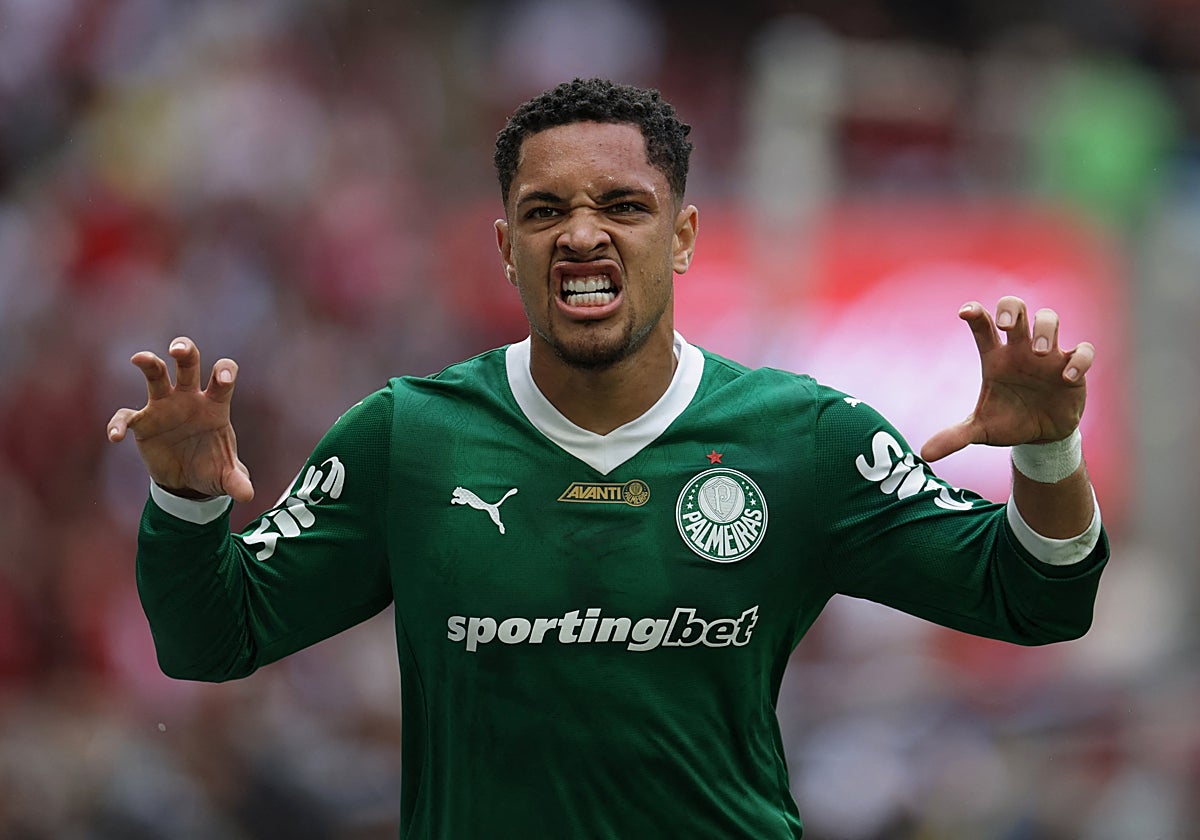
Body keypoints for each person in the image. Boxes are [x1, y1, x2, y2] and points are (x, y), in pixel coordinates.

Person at [106, 78, 1107, 839]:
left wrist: (1050, 454)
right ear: (506, 247)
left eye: (622, 206)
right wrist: (188, 500)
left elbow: (1038, 599)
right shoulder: (406, 438)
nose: (582, 235)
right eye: (545, 213)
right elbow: (211, 640)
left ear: (682, 236)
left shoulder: (802, 437)